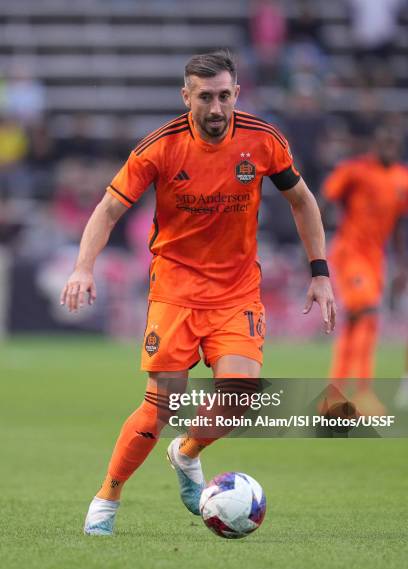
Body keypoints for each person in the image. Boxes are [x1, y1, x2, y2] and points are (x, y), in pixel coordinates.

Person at [60, 50, 336, 536]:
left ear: (237, 94)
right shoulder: (160, 147)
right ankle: (108, 495)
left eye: (224, 96)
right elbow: (107, 209)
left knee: (241, 396)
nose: (216, 108)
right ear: (186, 96)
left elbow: (302, 199)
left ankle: (186, 452)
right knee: (159, 406)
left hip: (236, 293)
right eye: (205, 97)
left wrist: (320, 272)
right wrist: (83, 267)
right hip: (175, 291)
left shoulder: (263, 139)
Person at [322, 125, 408, 392]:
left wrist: (402, 266)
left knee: (356, 320)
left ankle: (334, 390)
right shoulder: (355, 171)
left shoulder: (401, 179)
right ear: (375, 144)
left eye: (393, 143)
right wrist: (314, 245)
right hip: (350, 252)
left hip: (375, 259)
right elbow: (324, 200)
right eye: (384, 142)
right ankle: (363, 391)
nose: (388, 148)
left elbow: (398, 225)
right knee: (368, 312)